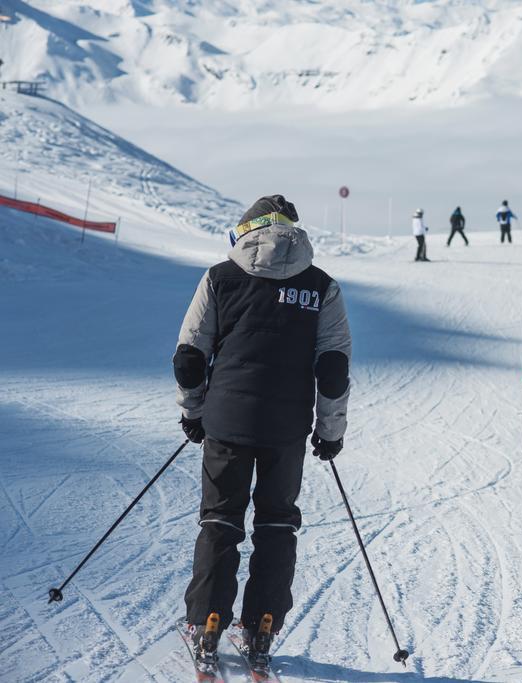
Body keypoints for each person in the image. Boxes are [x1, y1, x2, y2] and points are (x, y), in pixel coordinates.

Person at [173, 195, 351, 669]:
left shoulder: (220, 277)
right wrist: (330, 430)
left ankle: (206, 621)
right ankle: (261, 624)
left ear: (246, 230)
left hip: (226, 421)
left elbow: (190, 355)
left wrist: (194, 412)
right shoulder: (321, 286)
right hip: (287, 428)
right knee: (276, 522)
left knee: (220, 519)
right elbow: (333, 367)